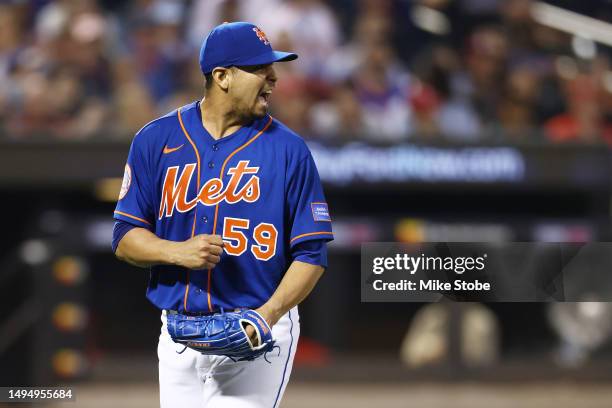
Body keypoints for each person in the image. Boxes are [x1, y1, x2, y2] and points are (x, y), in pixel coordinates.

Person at [111, 21, 334, 408]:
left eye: (273, 68)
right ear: (222, 76)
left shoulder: (289, 150)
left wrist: (265, 317)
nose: (274, 77)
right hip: (179, 336)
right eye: (260, 69)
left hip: (258, 333)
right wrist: (175, 252)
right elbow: (125, 237)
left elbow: (312, 255)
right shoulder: (156, 139)